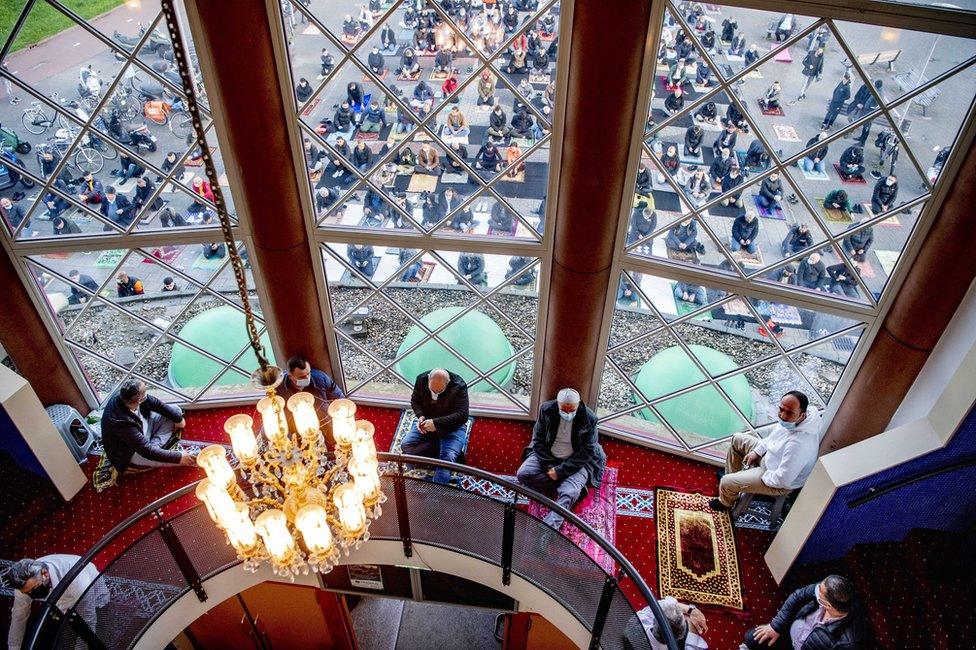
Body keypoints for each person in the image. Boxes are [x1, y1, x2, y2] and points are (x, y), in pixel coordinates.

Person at [709, 391, 821, 511]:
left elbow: (783, 479)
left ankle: (726, 502)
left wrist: (761, 476)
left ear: (802, 415)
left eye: (789, 413)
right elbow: (772, 439)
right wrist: (757, 452)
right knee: (737, 439)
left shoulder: (799, 444)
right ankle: (733, 483)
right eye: (781, 409)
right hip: (771, 459)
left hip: (776, 479)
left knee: (726, 482)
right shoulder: (792, 422)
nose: (782, 416)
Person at [516, 388, 606, 530]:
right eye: (564, 410)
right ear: (558, 404)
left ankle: (548, 528)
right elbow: (538, 441)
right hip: (548, 456)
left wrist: (559, 471)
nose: (568, 414)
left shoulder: (589, 418)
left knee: (570, 492)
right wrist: (549, 467)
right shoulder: (546, 410)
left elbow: (587, 452)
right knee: (523, 474)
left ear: (578, 405)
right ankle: (568, 488)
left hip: (575, 462)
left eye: (572, 410)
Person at [7, 555, 110, 650]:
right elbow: (19, 616)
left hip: (93, 599)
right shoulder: (23, 585)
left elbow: (88, 619)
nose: (31, 595)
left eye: (34, 588)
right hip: (60, 607)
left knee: (96, 639)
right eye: (27, 592)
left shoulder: (78, 580)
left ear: (45, 573)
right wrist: (14, 648)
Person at [741, 575, 869, 649]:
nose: (816, 588)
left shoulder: (848, 642)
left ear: (828, 605)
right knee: (752, 638)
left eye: (819, 591)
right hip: (787, 635)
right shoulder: (829, 590)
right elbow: (798, 596)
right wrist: (777, 626)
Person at [101, 378, 196, 472]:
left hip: (144, 429)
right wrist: (178, 457)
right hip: (132, 452)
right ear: (138, 401)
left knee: (175, 411)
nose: (147, 396)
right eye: (145, 396)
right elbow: (145, 450)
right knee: (158, 456)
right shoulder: (120, 423)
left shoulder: (127, 396)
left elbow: (157, 404)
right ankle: (157, 451)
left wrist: (179, 419)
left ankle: (156, 447)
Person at [402, 368, 470, 484]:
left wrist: (436, 423)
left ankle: (435, 496)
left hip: (452, 427)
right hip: (427, 422)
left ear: (447, 384)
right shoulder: (421, 379)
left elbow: (463, 415)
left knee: (445, 462)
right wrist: (421, 416)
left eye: (439, 392)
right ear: (428, 379)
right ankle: (444, 449)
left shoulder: (459, 386)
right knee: (406, 446)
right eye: (432, 391)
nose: (435, 395)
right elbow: (415, 401)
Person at [624, 597, 709, 650]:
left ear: (654, 621)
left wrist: (691, 610)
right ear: (681, 636)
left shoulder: (638, 621)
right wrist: (690, 613)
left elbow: (664, 603)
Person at [277, 354, 344, 404]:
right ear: (290, 377)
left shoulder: (321, 378)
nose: (307, 378)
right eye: (302, 377)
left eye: (308, 373)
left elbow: (340, 398)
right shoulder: (279, 387)